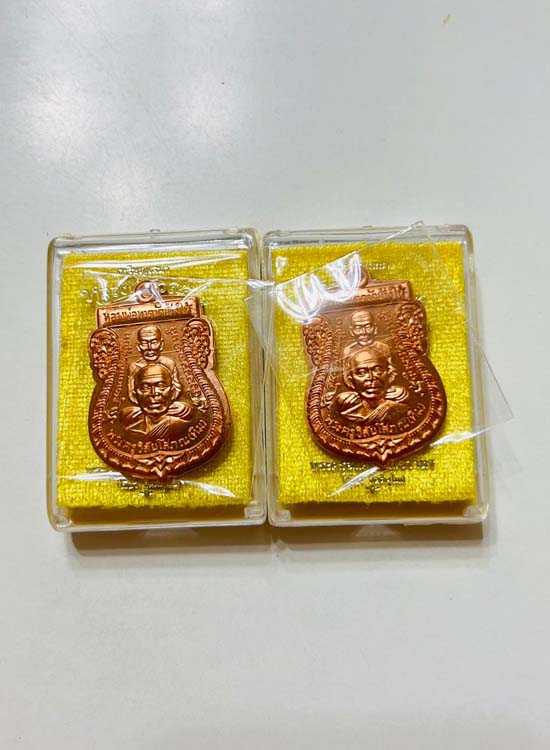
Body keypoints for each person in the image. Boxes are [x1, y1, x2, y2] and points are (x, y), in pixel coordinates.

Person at [120, 363, 193, 439]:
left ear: (172, 392)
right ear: (135, 394)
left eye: (161, 386)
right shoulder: (131, 424)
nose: (153, 393)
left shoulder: (180, 426)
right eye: (145, 387)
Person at [335, 347, 408, 424]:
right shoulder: (349, 414)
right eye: (361, 372)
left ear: (389, 373)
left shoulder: (400, 410)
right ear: (351, 379)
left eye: (378, 370)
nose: (371, 377)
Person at [127, 325, 182, 404]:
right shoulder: (134, 367)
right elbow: (131, 393)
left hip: (165, 403)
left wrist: (164, 403)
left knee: (183, 408)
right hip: (145, 405)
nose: (150, 348)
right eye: (144, 343)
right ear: (138, 346)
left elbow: (177, 388)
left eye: (154, 342)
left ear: (161, 344)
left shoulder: (168, 363)